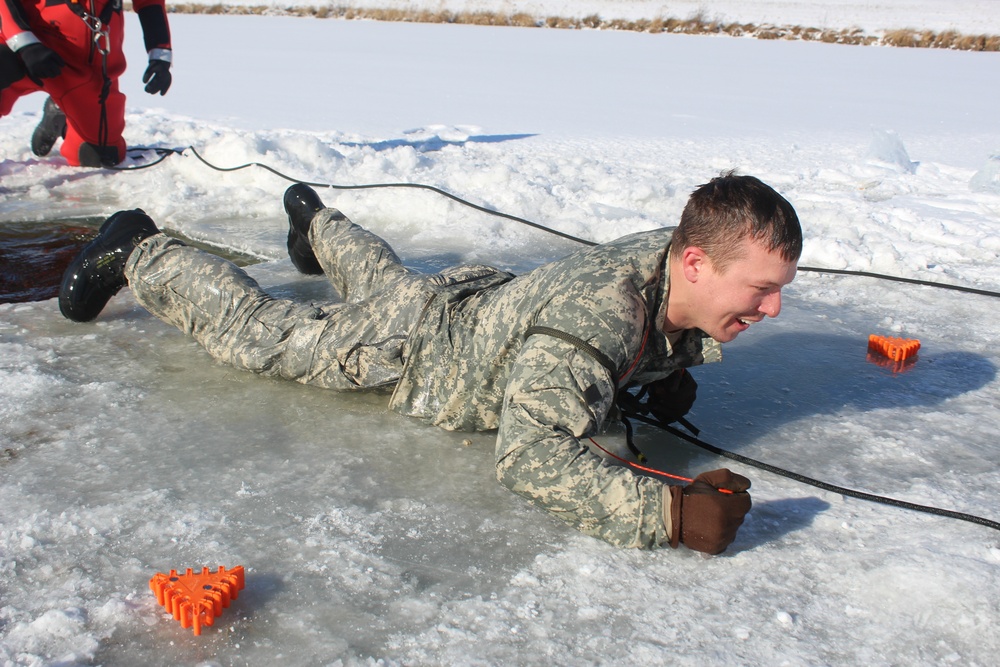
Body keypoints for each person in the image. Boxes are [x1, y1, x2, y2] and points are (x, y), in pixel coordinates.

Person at [58, 172, 802, 554]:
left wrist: (663, 371)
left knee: (392, 285)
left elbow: (646, 328)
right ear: (698, 261)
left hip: (465, 309)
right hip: (415, 353)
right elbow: (530, 455)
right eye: (761, 290)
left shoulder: (673, 259)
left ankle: (315, 223)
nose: (772, 310)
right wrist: (668, 512)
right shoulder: (597, 317)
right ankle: (142, 249)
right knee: (264, 333)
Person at [0, 0, 173, 167]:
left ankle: (64, 108)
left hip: (85, 70)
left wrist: (160, 55)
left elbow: (150, 3)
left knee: (99, 157)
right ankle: (64, 104)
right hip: (22, 48)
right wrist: (25, 43)